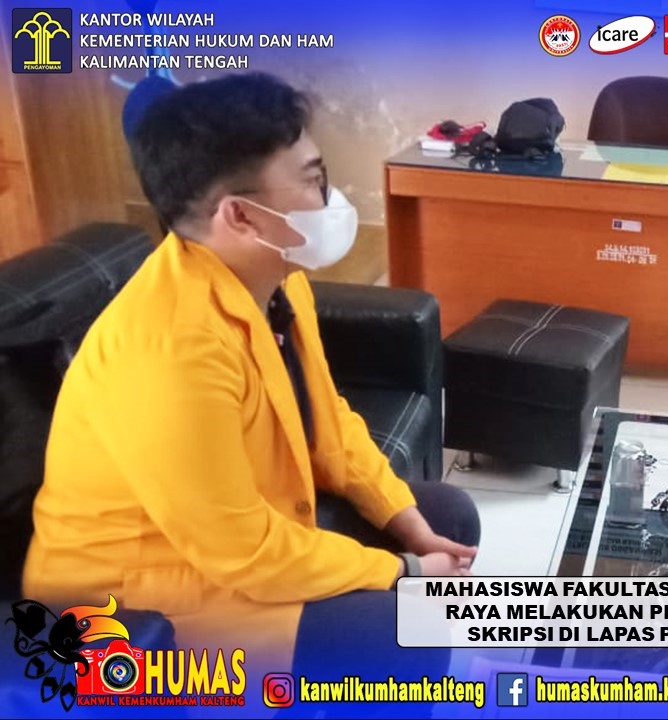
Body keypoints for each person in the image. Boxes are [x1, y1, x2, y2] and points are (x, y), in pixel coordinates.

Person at [23, 73, 479, 674]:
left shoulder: (275, 279)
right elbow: (242, 553)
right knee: (396, 633)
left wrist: (410, 526)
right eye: (314, 179)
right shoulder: (171, 351)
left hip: (234, 538)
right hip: (132, 601)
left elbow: (330, 425)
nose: (331, 198)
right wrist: (403, 570)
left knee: (447, 516)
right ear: (240, 215)